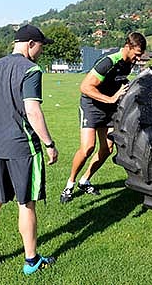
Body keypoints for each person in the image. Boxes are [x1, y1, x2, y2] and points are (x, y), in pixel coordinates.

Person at [0, 24, 59, 275]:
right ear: (30, 44)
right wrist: (49, 144)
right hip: (24, 148)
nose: (41, 51)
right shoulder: (31, 70)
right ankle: (31, 261)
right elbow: (32, 110)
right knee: (26, 204)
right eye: (41, 46)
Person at [60, 31, 146, 204]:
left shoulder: (128, 63)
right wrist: (111, 98)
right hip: (91, 106)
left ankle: (85, 180)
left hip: (109, 108)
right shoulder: (109, 61)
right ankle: (69, 184)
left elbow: (117, 81)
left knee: (107, 148)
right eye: (137, 55)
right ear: (128, 47)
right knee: (87, 148)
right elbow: (85, 87)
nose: (138, 59)